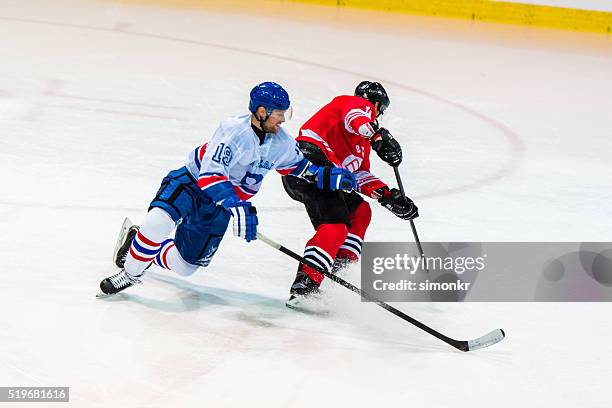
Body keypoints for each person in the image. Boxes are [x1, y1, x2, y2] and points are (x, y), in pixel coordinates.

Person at [99, 82, 357, 296]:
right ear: (261, 111)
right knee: (157, 222)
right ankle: (130, 274)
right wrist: (236, 205)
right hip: (192, 184)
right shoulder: (232, 131)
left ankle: (136, 243)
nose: (282, 118)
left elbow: (299, 168)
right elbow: (210, 177)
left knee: (185, 266)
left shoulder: (282, 142)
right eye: (279, 113)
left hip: (221, 205)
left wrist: (330, 176)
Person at [282, 81, 419, 306]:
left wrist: (388, 196)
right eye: (379, 111)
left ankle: (339, 266)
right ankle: (305, 285)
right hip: (310, 162)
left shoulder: (361, 145)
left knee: (360, 210)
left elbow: (360, 175)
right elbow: (356, 117)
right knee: (336, 226)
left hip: (328, 176)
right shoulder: (353, 104)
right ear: (375, 105)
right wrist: (377, 137)